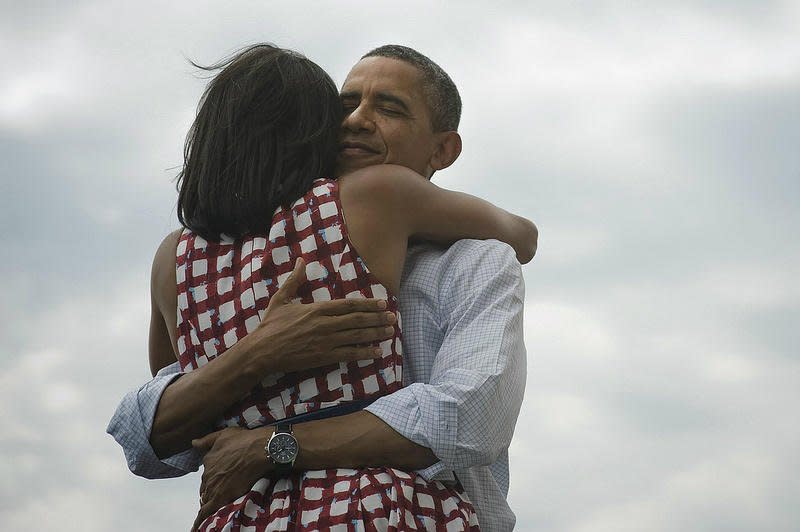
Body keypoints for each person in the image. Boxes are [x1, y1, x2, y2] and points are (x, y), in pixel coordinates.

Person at [109, 44, 531, 531]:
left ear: (442, 150)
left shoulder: (177, 258)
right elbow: (160, 429)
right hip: (377, 508)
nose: (355, 121)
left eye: (388, 108)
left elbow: (468, 419)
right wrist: (261, 350)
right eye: (344, 106)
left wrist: (269, 443)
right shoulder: (362, 205)